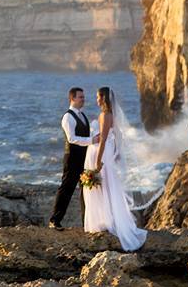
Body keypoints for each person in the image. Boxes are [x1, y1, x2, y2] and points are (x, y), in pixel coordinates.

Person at [83, 86, 147, 251]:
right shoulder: (110, 115)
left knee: (105, 184)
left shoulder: (105, 115)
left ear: (103, 98)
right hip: (107, 151)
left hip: (101, 153)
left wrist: (98, 161)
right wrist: (117, 151)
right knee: (107, 184)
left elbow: (103, 139)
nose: (96, 100)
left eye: (98, 97)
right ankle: (107, 219)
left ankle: (108, 221)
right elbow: (117, 132)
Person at [49, 87, 99, 230]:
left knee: (86, 190)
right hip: (72, 158)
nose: (83, 99)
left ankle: (87, 223)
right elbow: (71, 138)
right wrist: (92, 140)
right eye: (80, 97)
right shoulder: (68, 117)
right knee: (67, 188)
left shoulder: (82, 115)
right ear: (72, 99)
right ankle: (54, 220)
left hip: (84, 158)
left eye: (83, 97)